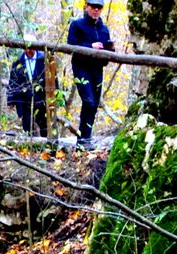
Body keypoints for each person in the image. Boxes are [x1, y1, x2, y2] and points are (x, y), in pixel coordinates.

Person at [66, 0, 114, 146]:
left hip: (97, 70)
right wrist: (90, 46)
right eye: (93, 7)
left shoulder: (104, 30)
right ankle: (83, 140)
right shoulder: (77, 25)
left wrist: (110, 49)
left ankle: (85, 139)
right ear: (87, 6)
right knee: (88, 100)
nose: (96, 10)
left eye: (99, 7)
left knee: (93, 105)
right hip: (81, 68)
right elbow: (70, 46)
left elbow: (106, 58)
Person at [7, 45, 48, 136]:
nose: (29, 51)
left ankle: (47, 147)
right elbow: (13, 81)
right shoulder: (18, 62)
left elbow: (52, 79)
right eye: (26, 48)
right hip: (24, 99)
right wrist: (11, 99)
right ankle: (30, 146)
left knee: (44, 125)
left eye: (31, 48)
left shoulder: (44, 60)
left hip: (41, 99)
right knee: (27, 125)